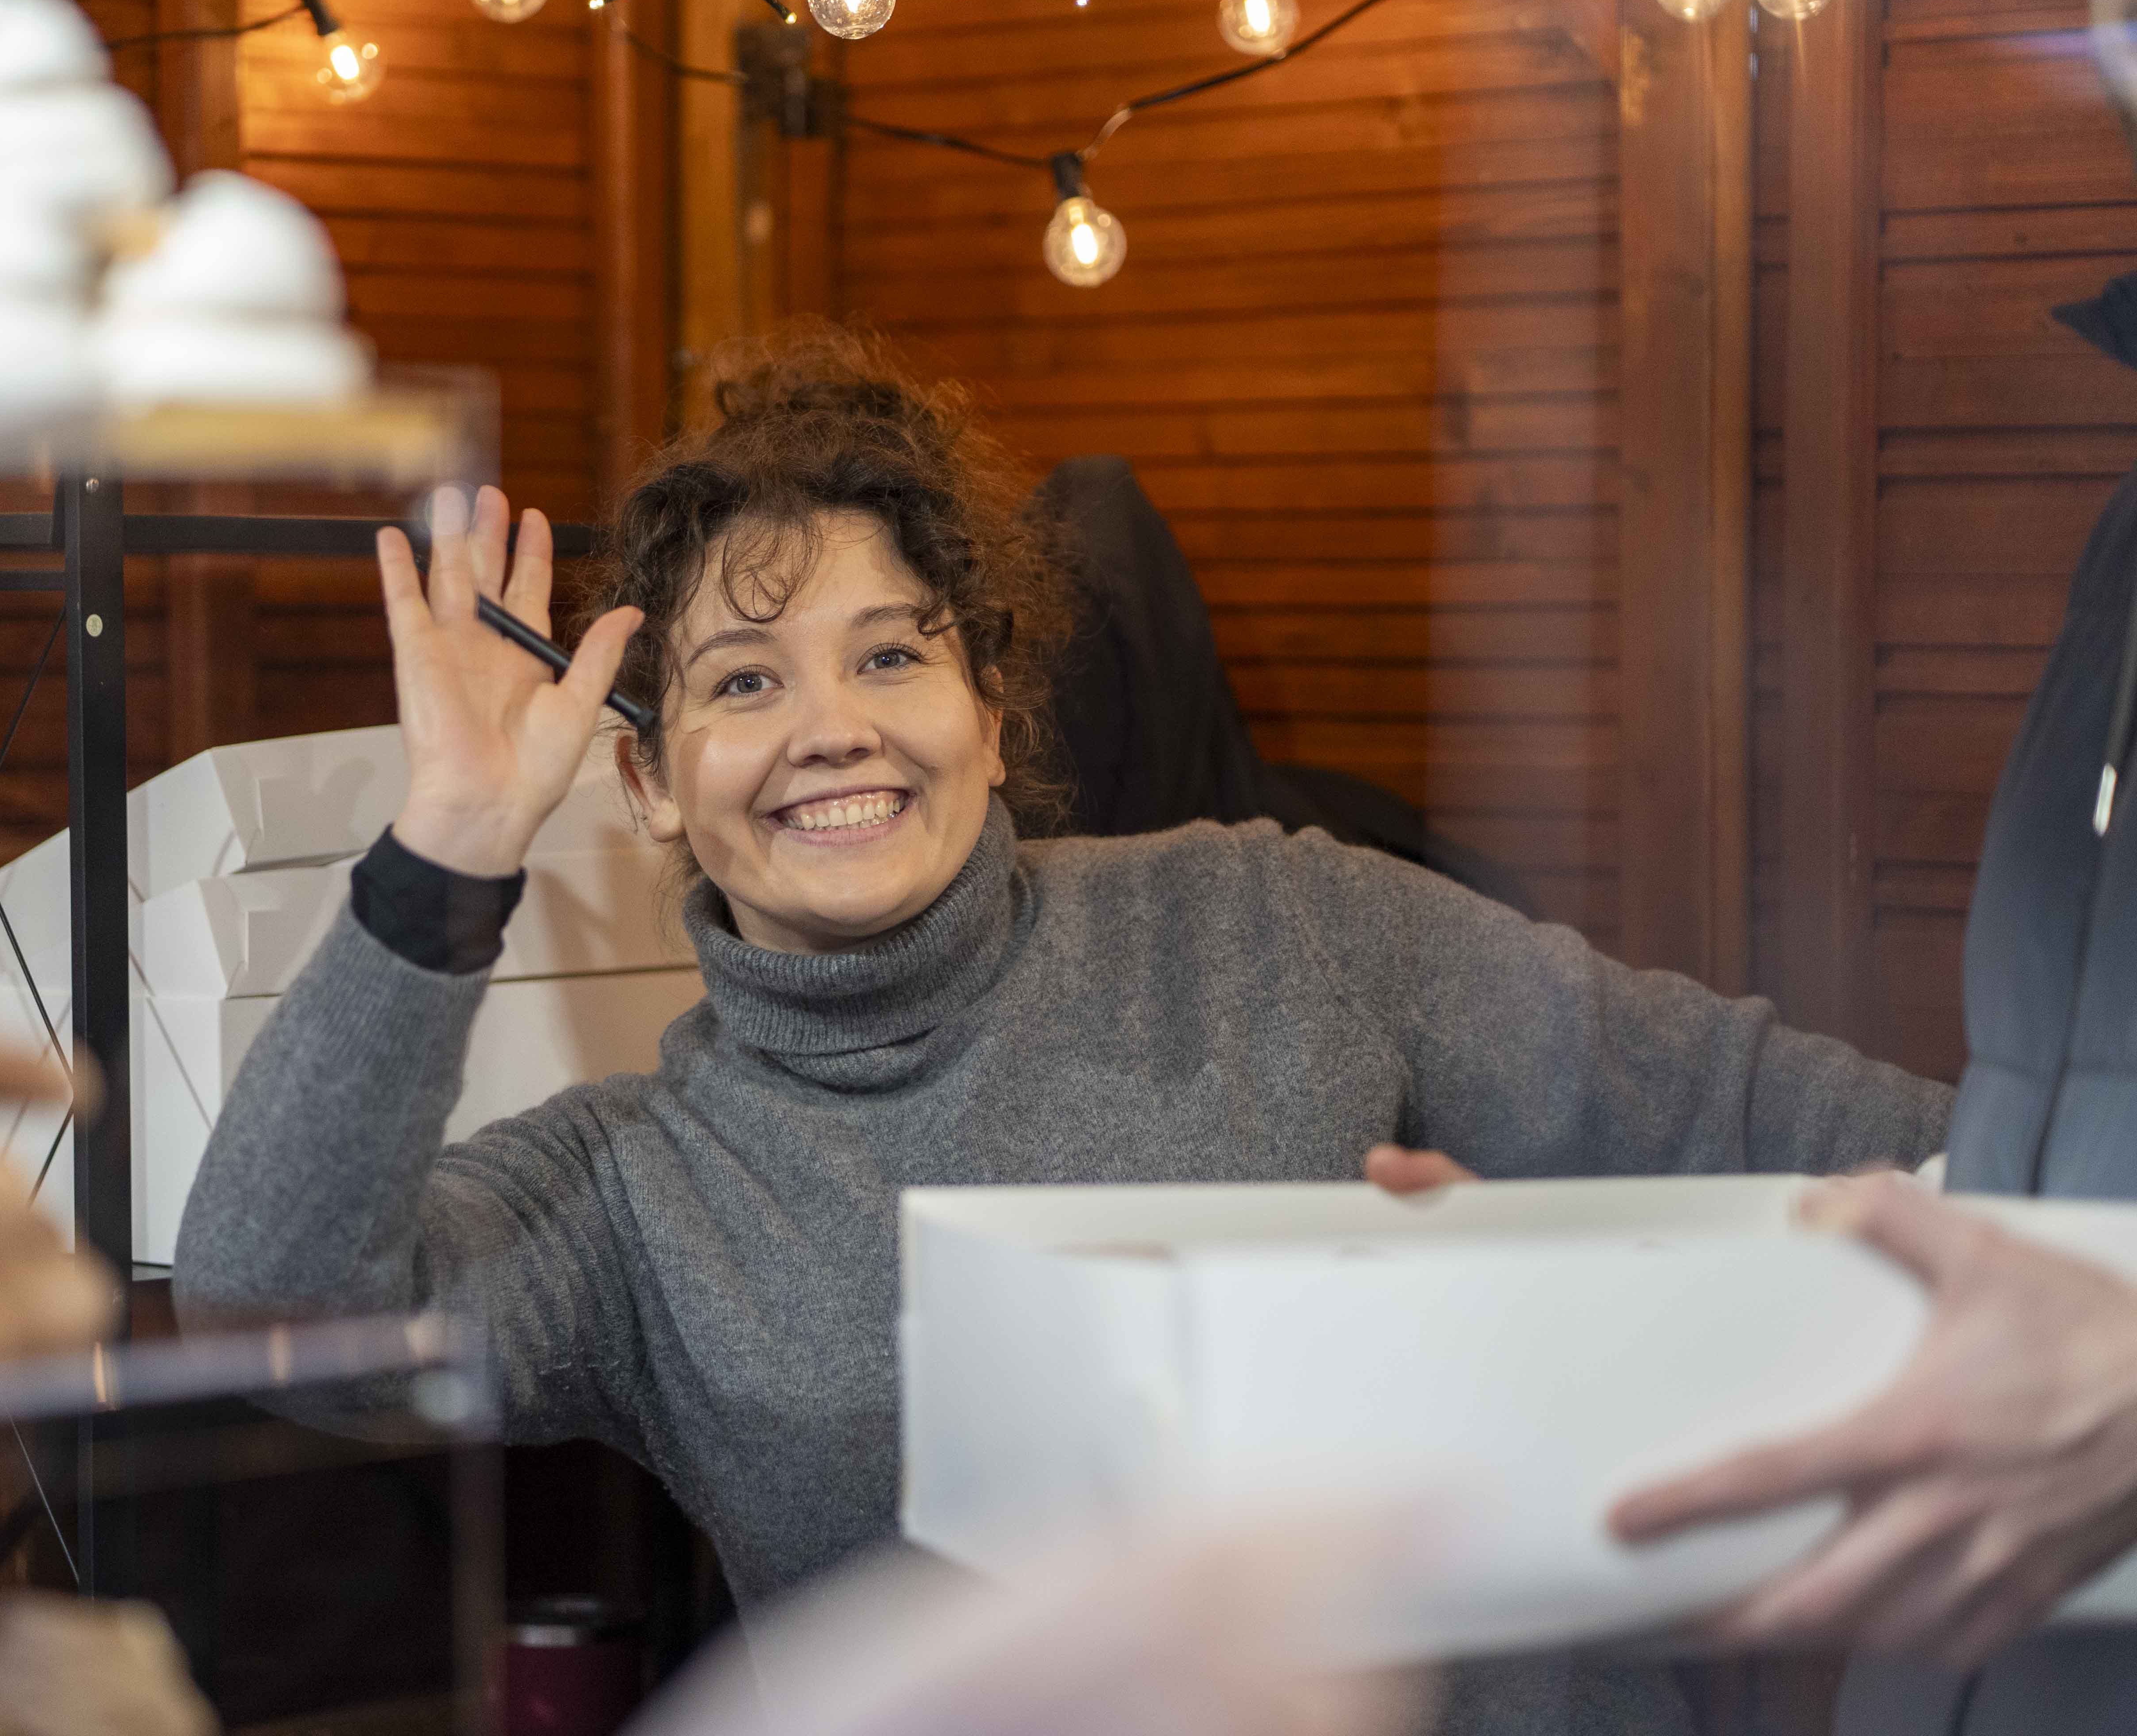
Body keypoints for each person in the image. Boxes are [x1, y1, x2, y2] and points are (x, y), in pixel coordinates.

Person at [174, 333, 1950, 1736]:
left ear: (990, 704)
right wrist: (454, 842)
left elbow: (1792, 1117)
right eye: (744, 681)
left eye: (893, 655)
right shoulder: (634, 1192)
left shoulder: (1278, 919)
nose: (834, 729)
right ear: (646, 781)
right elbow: (273, 1313)